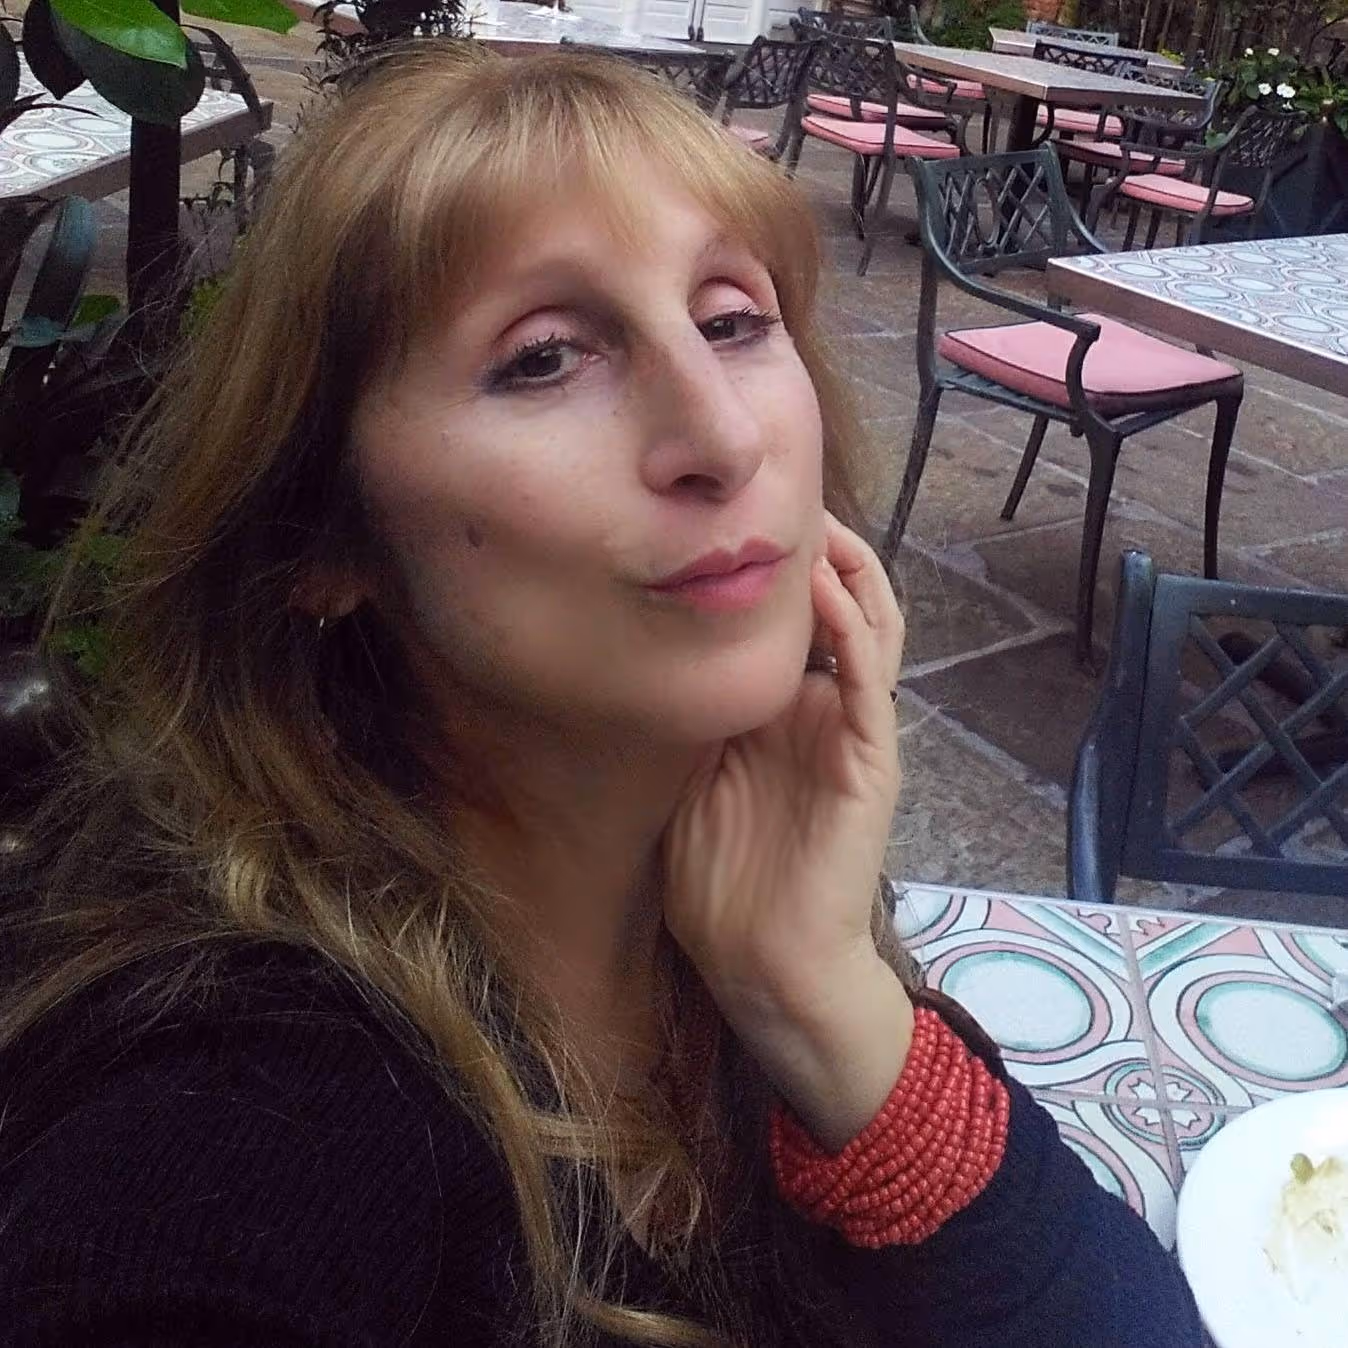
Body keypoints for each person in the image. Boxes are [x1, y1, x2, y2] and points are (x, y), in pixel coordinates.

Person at [0, 42, 1202, 1348]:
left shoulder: (761, 922)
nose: (723, 436)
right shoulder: (255, 1110)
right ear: (326, 538)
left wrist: (822, 999)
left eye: (736, 321)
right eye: (545, 358)